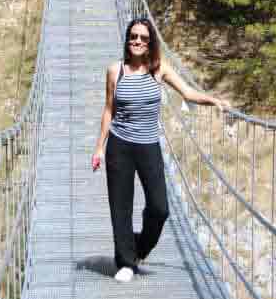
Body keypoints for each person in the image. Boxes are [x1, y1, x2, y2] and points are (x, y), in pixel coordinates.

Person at [91, 17, 230, 283]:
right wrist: (99, 147)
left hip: (148, 145)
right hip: (119, 145)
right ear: (127, 39)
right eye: (133, 36)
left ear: (151, 42)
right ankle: (125, 262)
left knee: (160, 208)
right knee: (120, 206)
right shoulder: (114, 71)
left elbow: (187, 93)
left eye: (143, 38)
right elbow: (109, 109)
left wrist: (212, 100)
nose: (138, 41)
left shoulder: (159, 69)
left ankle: (139, 248)